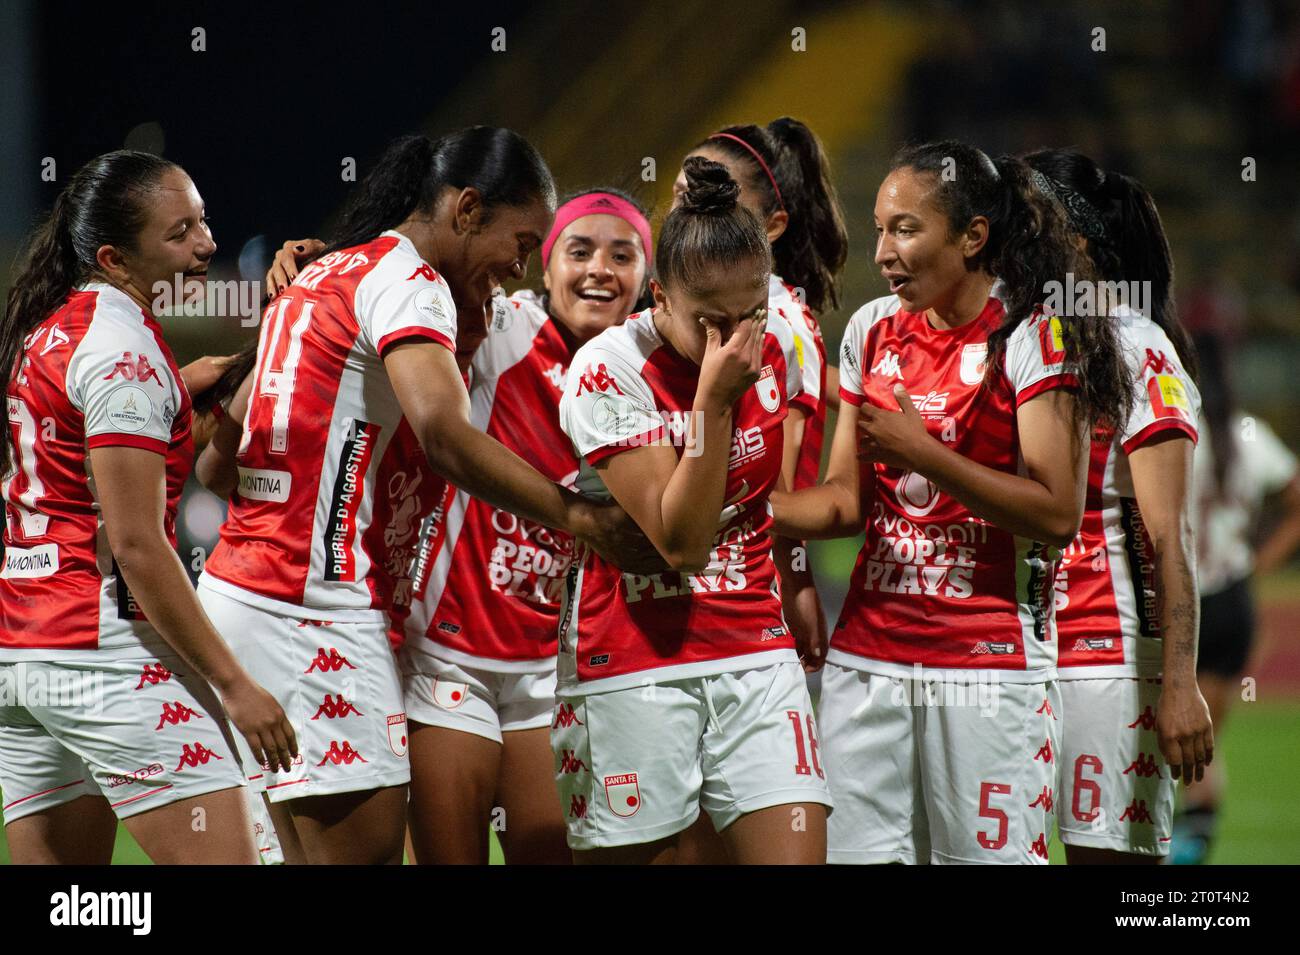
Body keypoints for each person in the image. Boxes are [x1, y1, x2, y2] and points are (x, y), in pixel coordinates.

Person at [192, 128, 647, 864]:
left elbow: (220, 469)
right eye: (522, 243)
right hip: (318, 609)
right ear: (467, 209)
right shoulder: (415, 286)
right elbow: (443, 431)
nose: (515, 269)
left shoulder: (322, 279)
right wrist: (576, 515)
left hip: (241, 596)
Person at [770, 141, 1132, 864]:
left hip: (989, 663)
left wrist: (923, 452)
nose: (883, 252)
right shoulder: (873, 329)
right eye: (879, 229)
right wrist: (744, 510)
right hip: (868, 661)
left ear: (972, 236)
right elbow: (847, 501)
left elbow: (1057, 512)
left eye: (905, 229)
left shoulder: (1034, 331)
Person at [0, 150, 296, 864]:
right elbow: (137, 546)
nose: (207, 245)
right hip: (102, 647)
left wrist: (202, 377)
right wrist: (235, 686)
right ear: (114, 255)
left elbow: (109, 436)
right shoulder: (122, 350)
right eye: (180, 232)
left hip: (24, 652)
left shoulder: (56, 329)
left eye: (202, 222)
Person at [555, 157, 832, 864]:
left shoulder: (778, 347)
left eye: (753, 311)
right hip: (634, 660)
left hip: (755, 651)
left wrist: (795, 582)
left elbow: (762, 503)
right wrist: (710, 403)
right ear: (658, 298)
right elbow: (681, 542)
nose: (736, 338)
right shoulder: (606, 369)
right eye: (711, 320)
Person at [397, 188, 652, 864]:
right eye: (580, 250)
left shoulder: (651, 370)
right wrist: (309, 260)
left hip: (552, 668)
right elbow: (406, 273)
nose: (600, 268)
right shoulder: (501, 324)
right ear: (543, 266)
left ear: (646, 282)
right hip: (449, 657)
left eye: (622, 255)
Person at [1019, 149, 1213, 864]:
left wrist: (1180, 683)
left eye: (1030, 220)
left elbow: (1169, 534)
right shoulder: (1029, 340)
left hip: (1108, 656)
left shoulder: (1139, 350)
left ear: (1075, 243)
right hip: (1022, 651)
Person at [674, 119, 849, 672]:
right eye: (684, 195)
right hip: (701, 576)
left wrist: (795, 580)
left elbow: (773, 485)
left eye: (719, 197)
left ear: (772, 226)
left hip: (741, 597)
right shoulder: (698, 302)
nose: (693, 211)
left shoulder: (774, 321)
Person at [1172, 330, 1300, 864]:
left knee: (1164, 742)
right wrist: (1257, 566)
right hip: (1231, 602)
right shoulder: (1250, 433)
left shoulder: (1172, 426)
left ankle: (1172, 855)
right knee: (1200, 744)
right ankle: (1190, 850)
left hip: (1180, 601)